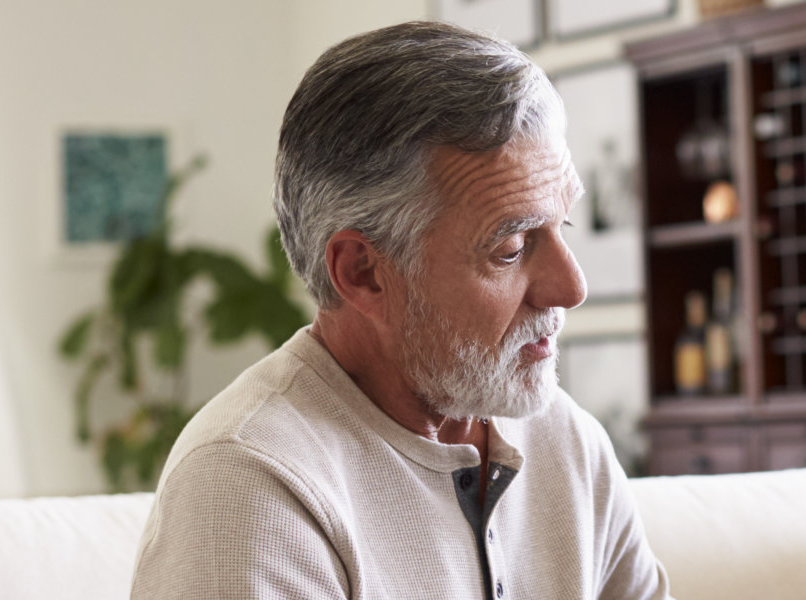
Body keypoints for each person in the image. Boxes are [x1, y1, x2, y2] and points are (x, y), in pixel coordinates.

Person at [130, 22, 672, 600]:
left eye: (562, 226)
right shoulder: (247, 483)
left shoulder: (566, 441)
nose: (570, 288)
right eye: (510, 248)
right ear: (363, 273)